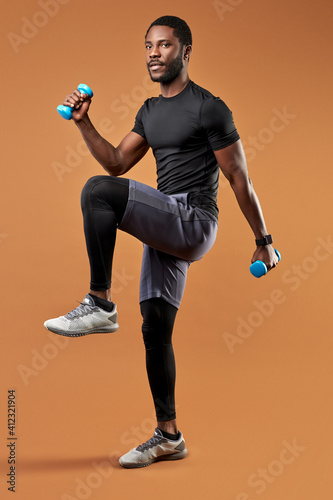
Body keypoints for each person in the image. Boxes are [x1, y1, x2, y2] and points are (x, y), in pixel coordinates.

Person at [44, 15, 279, 468]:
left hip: (193, 218)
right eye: (149, 46)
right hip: (164, 219)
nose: (154, 53)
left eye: (165, 46)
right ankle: (169, 436)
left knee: (96, 192)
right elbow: (116, 162)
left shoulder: (210, 107)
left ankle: (99, 303)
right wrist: (82, 122)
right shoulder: (149, 111)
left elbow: (238, 178)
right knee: (155, 327)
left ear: (185, 52)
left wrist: (264, 240)